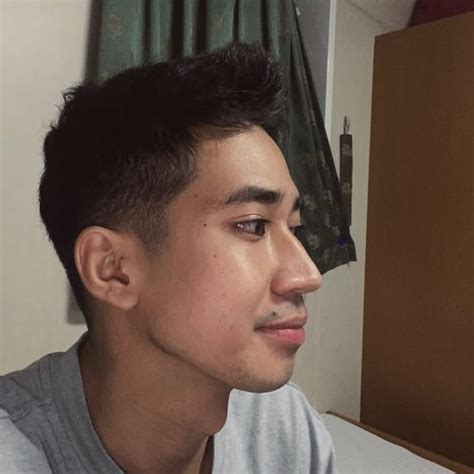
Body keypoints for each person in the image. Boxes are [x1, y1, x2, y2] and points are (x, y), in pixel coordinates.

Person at [0, 43, 336, 473]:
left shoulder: (286, 430)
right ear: (113, 269)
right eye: (253, 225)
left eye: (295, 227)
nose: (307, 275)